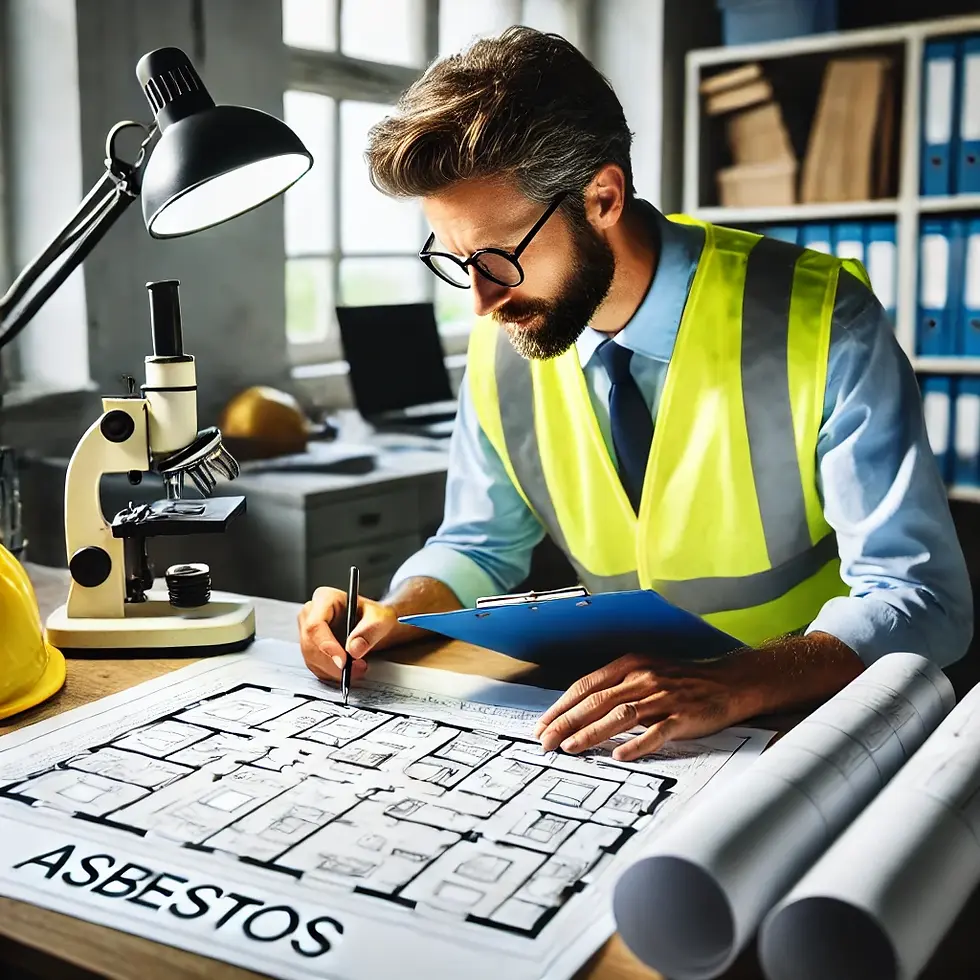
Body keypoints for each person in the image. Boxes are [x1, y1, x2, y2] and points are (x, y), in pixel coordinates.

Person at [298, 26, 972, 761]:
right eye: (457, 260)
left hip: (808, 721)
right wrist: (395, 613)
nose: (482, 302)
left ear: (603, 197)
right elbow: (478, 544)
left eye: (498, 257)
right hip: (628, 730)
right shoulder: (508, 339)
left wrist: (733, 681)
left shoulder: (821, 317)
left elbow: (924, 601)